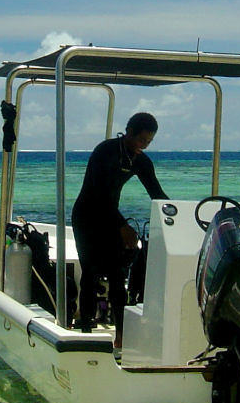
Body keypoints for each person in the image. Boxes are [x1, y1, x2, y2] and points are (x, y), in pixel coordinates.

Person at [71, 111, 168, 346]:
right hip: (87, 216)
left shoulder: (140, 160)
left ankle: (122, 337)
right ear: (129, 133)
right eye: (141, 140)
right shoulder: (106, 151)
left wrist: (177, 215)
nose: (143, 146)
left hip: (111, 219)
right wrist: (123, 226)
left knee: (117, 276)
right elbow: (98, 194)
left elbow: (157, 195)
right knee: (90, 274)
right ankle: (86, 332)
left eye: (148, 142)